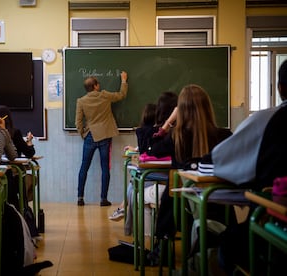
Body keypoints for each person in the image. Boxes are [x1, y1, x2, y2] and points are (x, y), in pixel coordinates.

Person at [213, 59, 287, 273]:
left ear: (280, 88)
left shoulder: (267, 120)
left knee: (230, 243)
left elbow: (222, 159)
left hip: (272, 220)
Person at [147, 84, 233, 264]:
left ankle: (163, 247)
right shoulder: (224, 136)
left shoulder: (176, 137)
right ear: (208, 107)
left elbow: (151, 150)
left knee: (170, 193)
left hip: (182, 212)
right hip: (219, 208)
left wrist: (167, 123)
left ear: (181, 110)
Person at [110, 92, 178, 226]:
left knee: (135, 184)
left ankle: (130, 223)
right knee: (135, 183)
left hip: (168, 181)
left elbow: (149, 148)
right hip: (181, 182)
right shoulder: (183, 132)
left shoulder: (163, 133)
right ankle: (124, 211)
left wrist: (167, 124)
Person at [76, 71, 128, 206]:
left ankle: (80, 198)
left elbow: (78, 122)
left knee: (84, 167)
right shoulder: (104, 96)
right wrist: (123, 80)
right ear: (95, 86)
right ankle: (103, 199)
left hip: (90, 136)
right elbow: (121, 95)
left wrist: (83, 134)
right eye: (98, 84)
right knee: (105, 168)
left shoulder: (81, 101)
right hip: (105, 136)